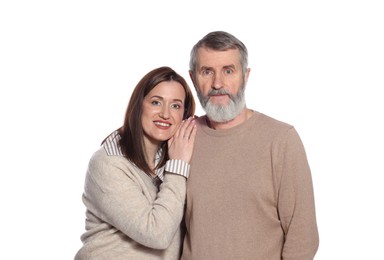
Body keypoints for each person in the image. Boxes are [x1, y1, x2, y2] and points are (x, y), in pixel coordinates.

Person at [181, 31, 319, 260]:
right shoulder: (184, 136)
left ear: (245, 76)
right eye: (207, 71)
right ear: (193, 78)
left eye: (228, 70)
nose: (218, 83)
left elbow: (303, 237)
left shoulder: (281, 140)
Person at [75, 66, 196, 259]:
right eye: (156, 102)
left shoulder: (173, 159)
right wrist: (178, 167)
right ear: (139, 106)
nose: (166, 114)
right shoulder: (108, 163)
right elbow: (157, 234)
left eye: (175, 106)